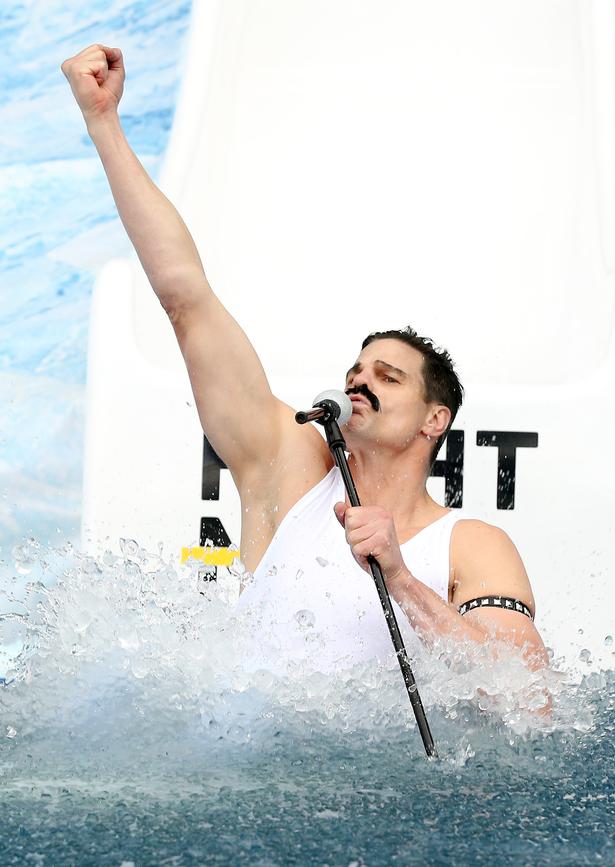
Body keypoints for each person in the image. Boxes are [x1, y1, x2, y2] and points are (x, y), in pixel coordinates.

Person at [61, 44, 548, 674]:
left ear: (435, 420)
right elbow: (186, 301)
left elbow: (529, 698)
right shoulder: (286, 473)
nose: (360, 380)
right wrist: (105, 125)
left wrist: (399, 578)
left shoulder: (473, 545)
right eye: (358, 369)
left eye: (388, 376)